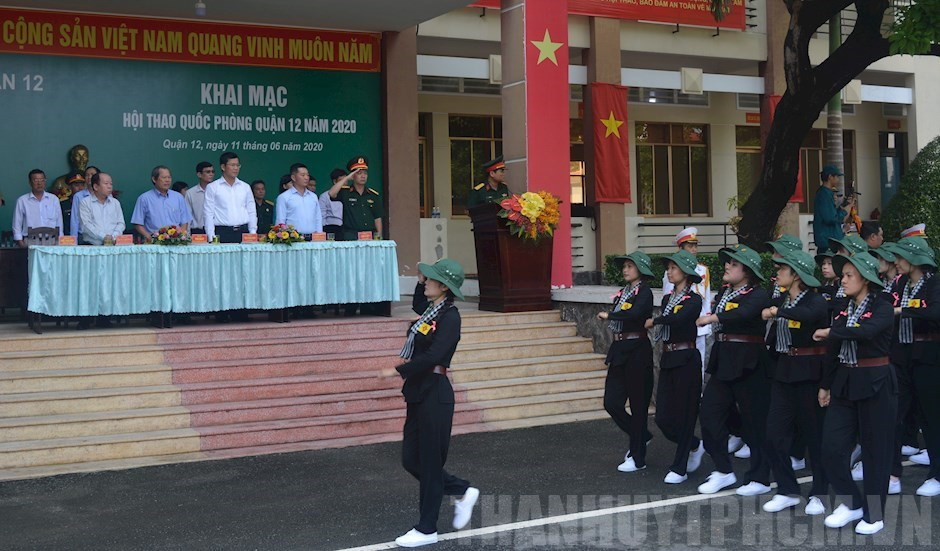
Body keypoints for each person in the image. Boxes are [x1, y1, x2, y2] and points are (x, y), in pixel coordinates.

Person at [392, 258, 479, 548]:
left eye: (430, 279)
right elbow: (418, 302)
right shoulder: (431, 311)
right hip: (418, 390)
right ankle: (462, 489)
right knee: (411, 459)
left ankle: (427, 528)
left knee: (429, 464)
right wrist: (420, 279)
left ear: (443, 286)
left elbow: (434, 356)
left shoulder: (450, 317)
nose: (425, 281)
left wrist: (396, 370)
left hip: (436, 392)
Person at [814, 252, 897, 535]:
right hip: (845, 382)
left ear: (866, 279)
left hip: (876, 382)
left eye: (850, 275)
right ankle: (852, 502)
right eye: (844, 275)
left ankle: (874, 515)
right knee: (831, 447)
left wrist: (831, 332)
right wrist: (825, 384)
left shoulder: (883, 305)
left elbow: (867, 332)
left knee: (876, 453)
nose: (844, 279)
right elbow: (833, 352)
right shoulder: (843, 308)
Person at [695, 244, 773, 496]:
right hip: (725, 359)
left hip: (750, 361)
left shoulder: (759, 294)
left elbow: (745, 313)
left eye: (734, 264)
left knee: (755, 423)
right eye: (728, 262)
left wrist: (712, 319)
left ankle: (760, 478)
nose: (727, 266)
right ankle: (723, 470)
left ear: (747, 271)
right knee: (709, 413)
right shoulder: (726, 291)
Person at [760, 251, 831, 515]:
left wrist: (778, 311)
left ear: (797, 275)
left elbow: (809, 315)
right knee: (773, 435)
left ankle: (820, 492)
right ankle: (787, 489)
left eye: (783, 269)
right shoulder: (780, 299)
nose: (777, 273)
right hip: (783, 372)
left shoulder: (816, 300)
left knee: (815, 437)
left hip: (810, 373)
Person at [647, 249, 705, 484]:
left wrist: (656, 320)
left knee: (686, 413)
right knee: (662, 417)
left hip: (687, 358)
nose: (669, 272)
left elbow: (680, 319)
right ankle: (693, 444)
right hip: (669, 358)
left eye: (673, 268)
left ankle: (679, 466)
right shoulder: (667, 299)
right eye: (668, 268)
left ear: (686, 273)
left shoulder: (694, 299)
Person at [890, 237, 940, 498]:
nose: (896, 262)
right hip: (901, 356)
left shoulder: (934, 283)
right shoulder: (900, 283)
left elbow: (935, 312)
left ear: (915, 259)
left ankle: (937, 473)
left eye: (900, 257)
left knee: (930, 417)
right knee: (894, 415)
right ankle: (892, 473)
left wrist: (904, 309)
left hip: (927, 359)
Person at [598, 251, 655, 473]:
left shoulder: (645, 292)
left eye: (630, 266)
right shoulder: (624, 293)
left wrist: (610, 316)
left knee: (639, 405)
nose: (625, 269)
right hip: (620, 349)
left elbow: (635, 314)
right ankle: (642, 436)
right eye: (625, 266)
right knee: (611, 402)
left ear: (640, 270)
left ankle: (637, 457)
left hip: (637, 350)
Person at [328, 156, 383, 241]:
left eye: (365, 173)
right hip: (351, 236)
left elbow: (377, 218)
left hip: (370, 236)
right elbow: (331, 193)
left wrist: (379, 237)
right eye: (359, 173)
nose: (363, 176)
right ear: (353, 176)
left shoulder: (373, 195)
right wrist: (346, 178)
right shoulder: (345, 192)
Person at [205, 152, 256, 243]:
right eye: (232, 165)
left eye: (237, 165)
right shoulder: (213, 187)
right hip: (222, 232)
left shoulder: (245, 187)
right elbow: (208, 214)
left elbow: (251, 211)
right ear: (223, 167)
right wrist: (211, 237)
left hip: (243, 232)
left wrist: (252, 232)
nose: (236, 168)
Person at [131, 166, 191, 239]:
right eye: (164, 177)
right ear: (154, 179)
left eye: (169, 177)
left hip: (176, 241)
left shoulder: (178, 197)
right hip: (154, 242)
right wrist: (149, 237)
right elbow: (137, 223)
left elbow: (184, 221)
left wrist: (181, 236)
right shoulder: (144, 199)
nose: (167, 180)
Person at [13, 169, 63, 247]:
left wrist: (60, 238)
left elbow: (59, 221)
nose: (39, 183)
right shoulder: (22, 200)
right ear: (30, 182)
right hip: (30, 240)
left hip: (52, 240)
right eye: (36, 180)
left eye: (42, 180)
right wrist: (20, 242)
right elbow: (17, 223)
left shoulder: (54, 199)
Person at [275, 163, 322, 237]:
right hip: (294, 239)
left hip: (313, 238)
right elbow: (280, 221)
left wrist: (319, 235)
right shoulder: (284, 197)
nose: (306, 178)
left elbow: (318, 218)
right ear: (293, 177)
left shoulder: (313, 196)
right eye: (303, 175)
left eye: (307, 175)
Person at [78, 172, 124, 246]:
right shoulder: (85, 202)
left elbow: (121, 223)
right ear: (96, 187)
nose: (109, 187)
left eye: (111, 184)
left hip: (114, 245)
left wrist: (113, 236)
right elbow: (86, 225)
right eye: (106, 183)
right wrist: (104, 237)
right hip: (92, 246)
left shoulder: (115, 203)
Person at [813, 165, 851, 253]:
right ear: (830, 177)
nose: (838, 179)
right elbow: (830, 218)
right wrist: (845, 210)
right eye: (837, 176)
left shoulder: (826, 193)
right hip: (828, 242)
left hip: (830, 241)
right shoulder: (824, 194)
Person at [186, 161, 215, 234]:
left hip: (216, 229)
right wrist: (187, 234)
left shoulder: (218, 190)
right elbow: (188, 215)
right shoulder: (190, 193)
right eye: (208, 172)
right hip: (198, 232)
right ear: (199, 174)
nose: (211, 174)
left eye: (212, 172)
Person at [320, 168, 346, 239]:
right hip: (330, 227)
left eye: (346, 180)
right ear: (335, 181)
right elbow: (322, 216)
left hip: (346, 228)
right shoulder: (324, 196)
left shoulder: (349, 195)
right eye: (341, 180)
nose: (344, 183)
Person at [60, 171, 86, 239]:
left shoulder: (88, 202)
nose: (80, 188)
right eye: (76, 185)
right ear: (70, 186)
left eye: (82, 185)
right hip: (68, 239)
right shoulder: (63, 204)